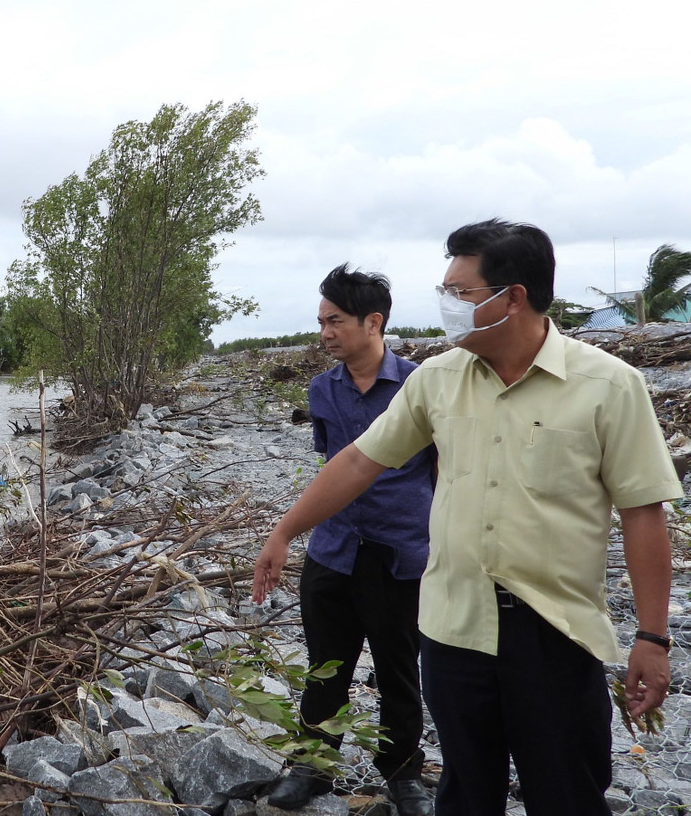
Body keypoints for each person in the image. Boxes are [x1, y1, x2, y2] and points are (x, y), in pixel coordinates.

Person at [253, 219, 680, 816]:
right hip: (453, 627)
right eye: (444, 291)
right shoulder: (437, 379)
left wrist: (653, 636)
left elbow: (642, 513)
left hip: (554, 631)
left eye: (461, 293)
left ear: (514, 297)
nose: (447, 306)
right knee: (465, 793)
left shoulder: (609, 386)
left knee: (565, 792)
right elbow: (355, 462)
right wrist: (284, 531)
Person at [254, 264, 436, 815]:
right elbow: (333, 467)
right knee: (324, 664)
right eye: (320, 321)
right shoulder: (322, 389)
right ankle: (313, 761)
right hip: (334, 550)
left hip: (400, 553)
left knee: (398, 668)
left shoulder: (418, 385)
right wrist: (289, 532)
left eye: (334, 321)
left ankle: (403, 772)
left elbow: (443, 469)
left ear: (373, 321)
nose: (325, 332)